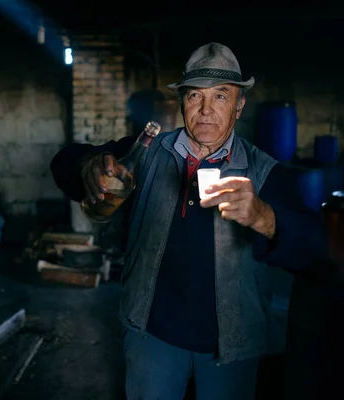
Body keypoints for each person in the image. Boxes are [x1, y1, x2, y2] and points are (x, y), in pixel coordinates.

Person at [50, 42, 327, 400]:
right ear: (182, 102)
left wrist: (264, 216)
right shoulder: (147, 155)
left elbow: (316, 248)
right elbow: (65, 162)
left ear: (240, 105)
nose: (206, 110)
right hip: (151, 336)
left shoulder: (264, 172)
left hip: (230, 345)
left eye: (221, 97)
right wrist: (89, 167)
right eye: (195, 96)